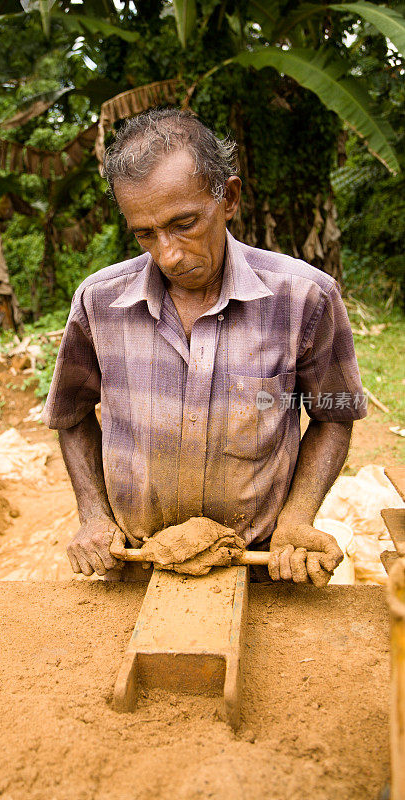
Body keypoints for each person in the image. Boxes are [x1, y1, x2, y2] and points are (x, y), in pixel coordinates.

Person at [41, 108, 367, 586]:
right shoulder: (100, 303)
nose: (168, 253)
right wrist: (93, 514)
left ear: (228, 197)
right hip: (137, 566)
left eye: (184, 223)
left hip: (261, 567)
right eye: (145, 233)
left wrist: (296, 519)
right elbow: (70, 416)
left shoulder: (305, 298)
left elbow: (334, 412)